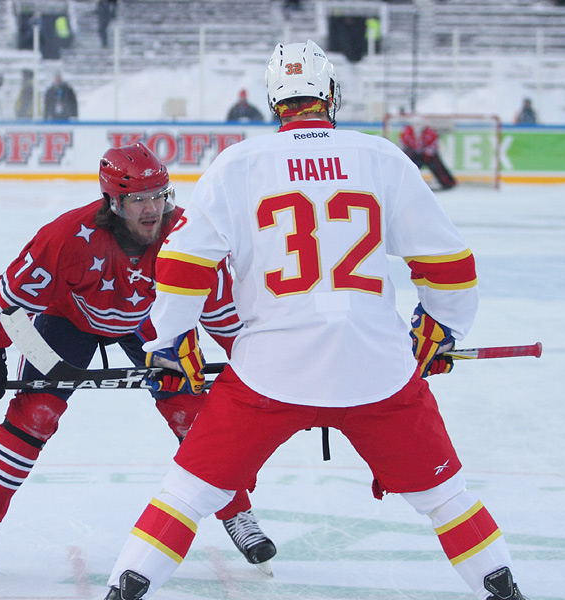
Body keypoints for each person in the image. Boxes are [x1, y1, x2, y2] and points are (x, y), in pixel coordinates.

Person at [102, 40, 529, 600]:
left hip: (269, 373)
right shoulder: (380, 157)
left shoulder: (238, 164)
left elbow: (183, 263)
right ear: (330, 94)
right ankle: (505, 590)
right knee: (447, 497)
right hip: (376, 370)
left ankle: (122, 589)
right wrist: (443, 329)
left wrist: (170, 341)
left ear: (273, 103)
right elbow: (449, 263)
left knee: (187, 493)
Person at [0, 142, 278, 580]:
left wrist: (254, 362)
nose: (152, 210)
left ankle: (237, 514)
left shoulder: (184, 236)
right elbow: (4, 300)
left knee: (192, 417)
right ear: (112, 201)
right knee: (35, 414)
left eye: (159, 195)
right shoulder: (66, 237)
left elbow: (220, 313)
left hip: (151, 323)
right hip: (68, 322)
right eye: (138, 199)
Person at [399, 119, 456, 190]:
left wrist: (428, 153)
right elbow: (403, 144)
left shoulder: (429, 131)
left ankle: (447, 182)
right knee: (407, 166)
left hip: (428, 155)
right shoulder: (407, 132)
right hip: (414, 154)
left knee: (436, 164)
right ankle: (402, 183)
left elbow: (434, 144)